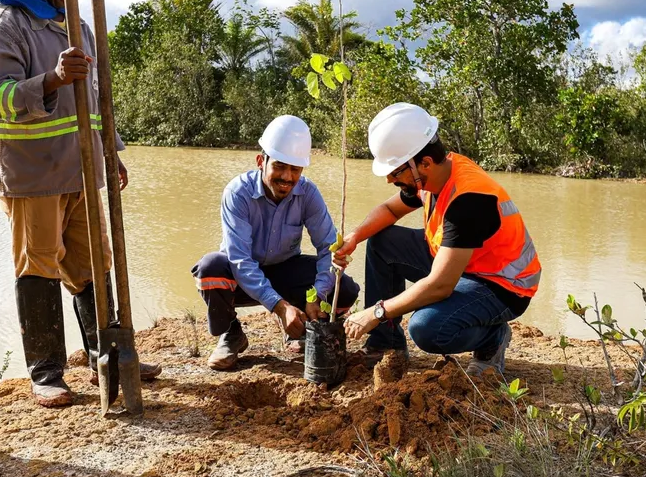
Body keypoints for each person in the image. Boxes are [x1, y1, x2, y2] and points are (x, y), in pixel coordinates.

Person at [0, 0, 160, 408]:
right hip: (32, 172)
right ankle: (47, 372)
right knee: (38, 265)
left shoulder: (78, 26)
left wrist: (110, 153)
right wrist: (52, 79)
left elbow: (97, 100)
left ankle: (108, 351)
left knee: (92, 262)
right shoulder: (7, 23)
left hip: (80, 168)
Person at [338, 103, 541, 376]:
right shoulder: (434, 176)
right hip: (465, 262)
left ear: (425, 163)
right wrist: (355, 237)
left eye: (396, 171)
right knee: (381, 241)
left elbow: (440, 286)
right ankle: (387, 344)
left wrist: (375, 312)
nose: (389, 179)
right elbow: (389, 210)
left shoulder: (469, 200)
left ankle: (492, 338)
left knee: (426, 328)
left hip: (502, 285)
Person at [191, 115, 360, 370]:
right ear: (261, 161)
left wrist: (316, 295)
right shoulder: (238, 193)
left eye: (295, 169)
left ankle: (308, 330)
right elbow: (240, 260)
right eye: (280, 166)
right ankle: (231, 333)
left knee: (343, 287)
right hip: (240, 276)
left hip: (285, 268)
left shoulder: (308, 193)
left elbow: (327, 247)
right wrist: (280, 307)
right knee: (210, 268)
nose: (287, 177)